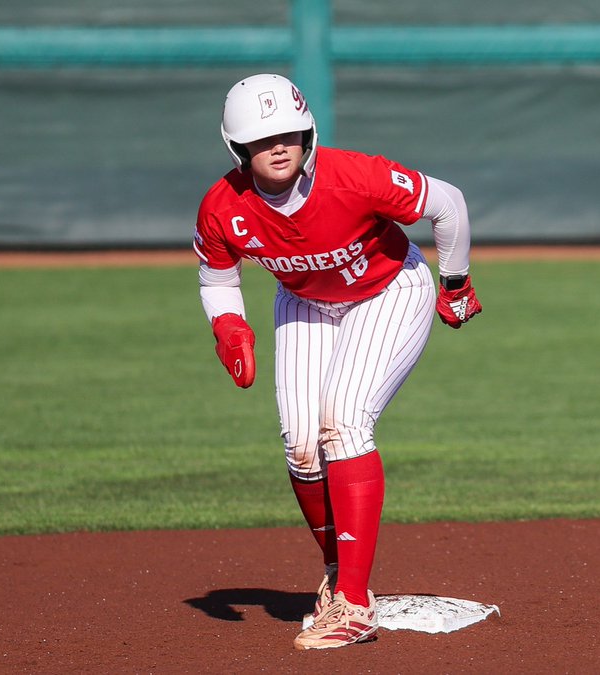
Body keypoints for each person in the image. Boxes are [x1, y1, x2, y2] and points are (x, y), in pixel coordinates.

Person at [192, 73, 482, 650]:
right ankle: (338, 576)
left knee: (344, 423)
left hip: (388, 291)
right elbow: (216, 274)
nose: (277, 147)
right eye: (260, 139)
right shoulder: (225, 207)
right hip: (304, 300)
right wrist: (228, 326)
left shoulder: (354, 177)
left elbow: (447, 203)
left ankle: (353, 606)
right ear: (237, 148)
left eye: (289, 134)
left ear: (308, 135)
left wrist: (455, 282)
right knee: (301, 442)